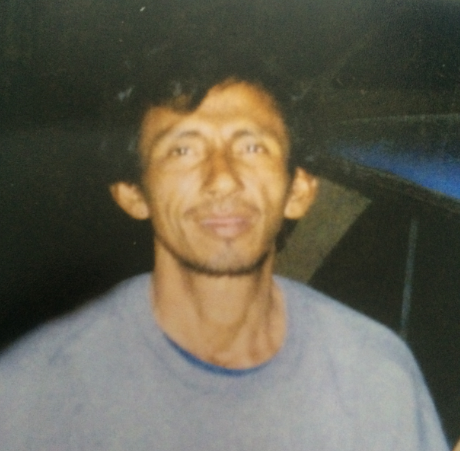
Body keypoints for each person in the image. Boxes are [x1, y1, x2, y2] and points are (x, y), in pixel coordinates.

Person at [0, 45, 449, 450]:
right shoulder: (40, 391)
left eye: (252, 147)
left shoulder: (374, 374)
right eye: (183, 151)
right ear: (133, 193)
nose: (222, 178)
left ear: (300, 190)